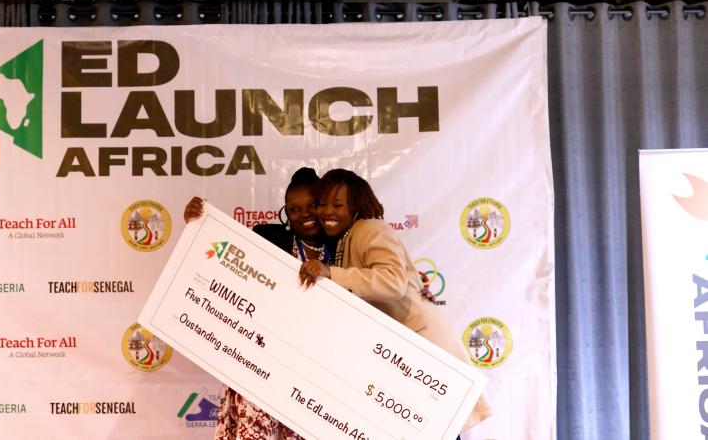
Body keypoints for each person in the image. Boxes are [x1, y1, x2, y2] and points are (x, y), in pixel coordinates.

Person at [297, 169, 492, 432]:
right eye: (322, 204)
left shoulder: (369, 228)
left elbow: (393, 281)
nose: (327, 211)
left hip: (420, 345)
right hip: (400, 352)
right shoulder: (347, 237)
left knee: (434, 426)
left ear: (356, 206)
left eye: (337, 204)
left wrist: (331, 273)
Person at [184, 167, 333, 440]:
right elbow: (220, 259)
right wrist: (197, 225)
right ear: (286, 215)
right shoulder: (267, 237)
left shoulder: (345, 245)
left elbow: (379, 281)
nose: (305, 214)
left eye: (311, 205)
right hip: (261, 368)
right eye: (294, 209)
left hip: (316, 380)